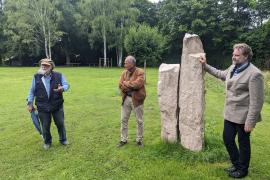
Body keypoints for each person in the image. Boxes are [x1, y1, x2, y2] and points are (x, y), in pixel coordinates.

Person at [199, 43, 264, 178]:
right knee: (227, 139)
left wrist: (250, 122)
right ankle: (236, 164)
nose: (233, 57)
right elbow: (220, 74)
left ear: (246, 56)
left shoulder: (255, 74)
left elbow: (257, 101)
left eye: (237, 55)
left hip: (244, 116)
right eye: (233, 54)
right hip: (230, 114)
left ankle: (243, 170)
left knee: (243, 143)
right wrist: (205, 65)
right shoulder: (233, 67)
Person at [27, 58, 70, 150]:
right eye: (42, 65)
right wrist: (30, 103)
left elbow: (67, 85)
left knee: (60, 123)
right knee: (45, 125)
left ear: (51, 67)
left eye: (46, 65)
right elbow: (31, 91)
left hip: (57, 105)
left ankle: (63, 139)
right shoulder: (36, 77)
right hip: (42, 106)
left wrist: (62, 88)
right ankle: (47, 142)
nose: (43, 66)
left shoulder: (59, 75)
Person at [117, 55, 146, 147]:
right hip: (126, 99)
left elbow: (138, 84)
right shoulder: (124, 73)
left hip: (137, 100)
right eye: (124, 62)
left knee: (139, 121)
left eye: (126, 62)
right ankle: (123, 139)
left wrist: (126, 83)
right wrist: (128, 85)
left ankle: (139, 140)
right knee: (123, 120)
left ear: (132, 63)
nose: (124, 64)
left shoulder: (140, 72)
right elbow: (120, 85)